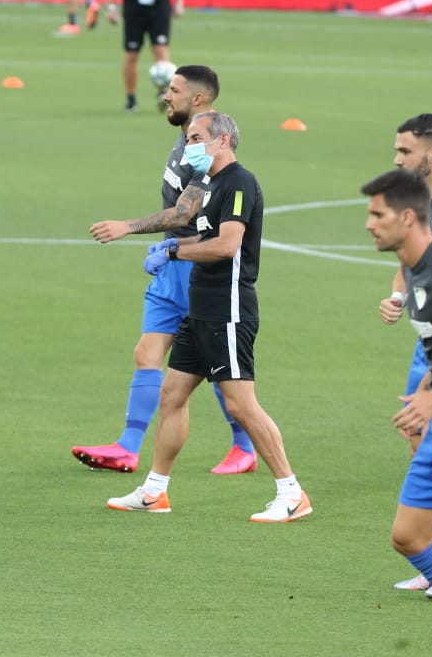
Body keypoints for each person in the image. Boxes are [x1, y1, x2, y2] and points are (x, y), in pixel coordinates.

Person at [106, 111, 312, 523]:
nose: (189, 146)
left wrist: (173, 251)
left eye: (197, 138)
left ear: (222, 141)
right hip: (199, 309)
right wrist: (170, 245)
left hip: (228, 309)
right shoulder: (210, 184)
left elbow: (228, 245)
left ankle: (292, 493)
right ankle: (154, 491)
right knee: (173, 395)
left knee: (241, 404)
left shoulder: (239, 181)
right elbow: (202, 232)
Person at [75, 66, 256, 474]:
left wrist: (130, 227)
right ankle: (127, 447)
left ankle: (245, 447)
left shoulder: (207, 151)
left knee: (213, 367)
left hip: (194, 263)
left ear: (198, 99)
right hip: (171, 261)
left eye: (173, 91)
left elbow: (185, 210)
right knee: (147, 354)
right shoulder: (185, 141)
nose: (165, 97)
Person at [363, 168, 432, 617]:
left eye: (376, 214)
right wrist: (425, 391)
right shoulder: (413, 272)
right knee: (410, 536)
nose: (369, 224)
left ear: (406, 218)